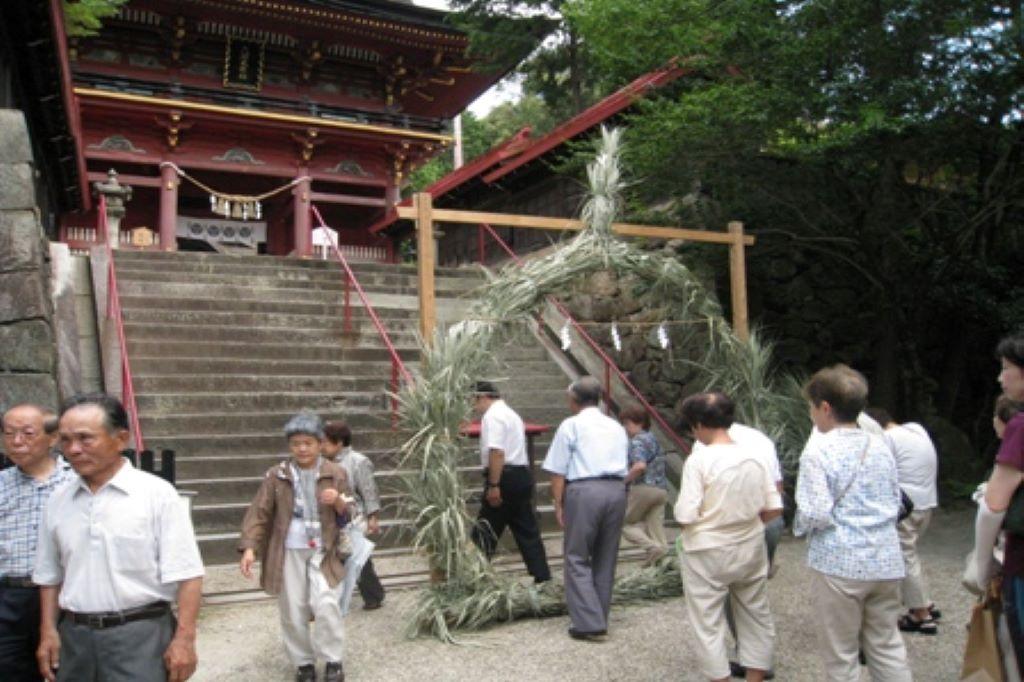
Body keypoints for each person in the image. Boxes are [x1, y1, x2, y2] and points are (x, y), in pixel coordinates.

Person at [33, 393, 204, 682]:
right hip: (75, 638)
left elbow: (188, 574)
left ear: (121, 439)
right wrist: (48, 631)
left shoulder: (156, 495)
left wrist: (184, 640)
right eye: (65, 440)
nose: (73, 449)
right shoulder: (58, 500)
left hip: (141, 635)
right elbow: (50, 575)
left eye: (86, 438)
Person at [794, 365, 911, 681]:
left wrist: (802, 527)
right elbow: (896, 499)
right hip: (886, 557)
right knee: (886, 645)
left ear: (825, 408)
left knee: (841, 653)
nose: (811, 413)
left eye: (811, 406)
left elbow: (815, 513)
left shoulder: (818, 452)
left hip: (839, 561)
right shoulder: (880, 444)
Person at [239, 411, 353, 682]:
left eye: (308, 443)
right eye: (296, 443)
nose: (302, 448)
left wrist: (337, 500)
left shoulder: (335, 473)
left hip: (324, 548)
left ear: (319, 443)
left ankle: (333, 659)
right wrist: (249, 547)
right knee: (292, 607)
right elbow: (260, 511)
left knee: (326, 603)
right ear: (290, 446)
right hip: (287, 548)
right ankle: (303, 663)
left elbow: (349, 512)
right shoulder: (276, 475)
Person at [675, 393, 782, 682]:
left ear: (698, 424)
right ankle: (755, 677)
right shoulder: (756, 455)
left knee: (707, 622)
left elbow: (685, 514)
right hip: (749, 543)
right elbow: (774, 506)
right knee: (755, 613)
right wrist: (746, 521)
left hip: (707, 548)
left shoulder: (699, 460)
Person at [542, 376, 628, 640]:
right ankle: (599, 613)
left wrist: (559, 503)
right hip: (616, 489)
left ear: (574, 400)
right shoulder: (615, 426)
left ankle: (588, 622)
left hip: (585, 488)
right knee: (606, 554)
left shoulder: (571, 425)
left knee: (577, 556)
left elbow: (558, 470)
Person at [0, 405, 74, 682]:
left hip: (64, 596)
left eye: (28, 434)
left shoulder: (74, 483)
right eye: (9, 434)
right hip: (9, 597)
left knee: (64, 670)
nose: (17, 442)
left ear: (52, 438)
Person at [864, 406, 941, 635]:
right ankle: (924, 602)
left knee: (905, 559)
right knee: (911, 556)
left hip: (904, 507)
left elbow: (877, 473)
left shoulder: (885, 439)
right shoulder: (916, 430)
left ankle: (921, 615)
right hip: (927, 503)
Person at [973, 335, 1024, 671]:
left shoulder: (1020, 426)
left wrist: (981, 563)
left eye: (1006, 369)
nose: (1000, 377)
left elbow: (994, 501)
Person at [470, 381, 552, 583]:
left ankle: (473, 575)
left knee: (485, 530)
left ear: (482, 397)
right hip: (520, 474)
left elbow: (497, 451)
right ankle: (542, 576)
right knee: (526, 529)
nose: (474, 407)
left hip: (504, 476)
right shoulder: (510, 413)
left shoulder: (493, 416)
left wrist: (494, 484)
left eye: (473, 401)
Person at [322, 421, 385, 610]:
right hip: (330, 515)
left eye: (326, 442)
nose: (322, 446)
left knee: (357, 556)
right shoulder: (323, 463)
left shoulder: (358, 461)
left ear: (339, 442)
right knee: (347, 556)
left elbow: (368, 490)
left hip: (353, 515)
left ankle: (372, 594)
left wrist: (373, 516)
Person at [618, 404, 668, 565]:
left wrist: (624, 481)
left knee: (623, 524)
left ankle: (652, 548)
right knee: (656, 529)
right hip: (661, 490)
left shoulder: (637, 441)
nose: (625, 428)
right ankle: (663, 562)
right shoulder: (652, 437)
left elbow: (640, 466)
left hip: (643, 487)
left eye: (626, 423)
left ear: (637, 422)